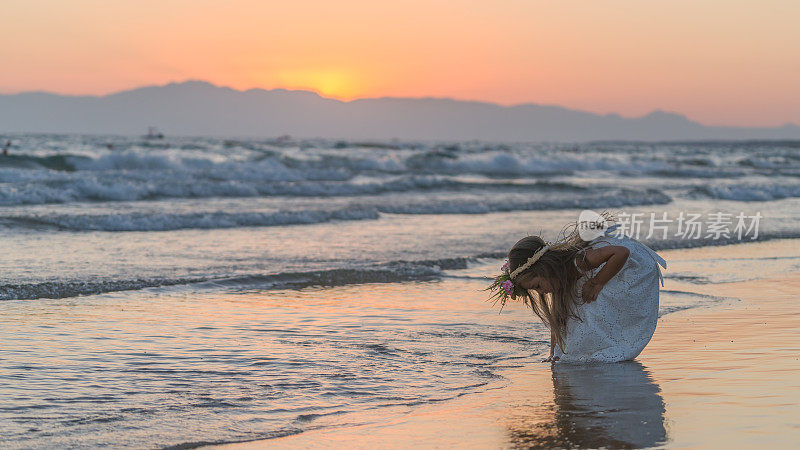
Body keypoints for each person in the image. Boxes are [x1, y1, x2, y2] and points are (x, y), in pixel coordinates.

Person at [487, 219, 666, 363]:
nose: (541, 292)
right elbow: (558, 320)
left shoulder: (580, 261)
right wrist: (554, 353)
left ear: (545, 270)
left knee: (594, 304)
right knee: (576, 308)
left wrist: (597, 282)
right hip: (610, 264)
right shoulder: (557, 279)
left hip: (633, 267)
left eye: (537, 286)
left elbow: (621, 252)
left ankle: (612, 344)